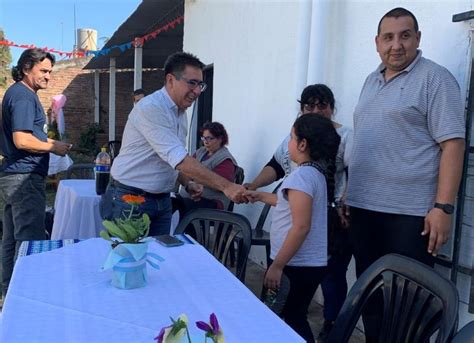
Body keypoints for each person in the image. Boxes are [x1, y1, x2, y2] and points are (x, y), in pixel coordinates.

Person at [346, 7, 465, 341]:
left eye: (405, 35)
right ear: (377, 43)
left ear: (418, 39)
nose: (396, 45)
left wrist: (443, 208)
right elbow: (367, 139)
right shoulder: (371, 81)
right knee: (370, 296)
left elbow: (453, 145)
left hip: (411, 216)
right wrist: (347, 194)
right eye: (388, 37)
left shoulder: (435, 79)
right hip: (364, 210)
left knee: (408, 304)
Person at [244, 84, 353, 341]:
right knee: (294, 314)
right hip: (306, 265)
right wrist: (258, 193)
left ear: (302, 144)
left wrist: (277, 265)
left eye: (291, 139)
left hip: (293, 265)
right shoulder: (315, 175)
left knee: (287, 317)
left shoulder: (300, 177)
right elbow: (292, 205)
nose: (288, 143)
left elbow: (300, 226)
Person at [100, 52, 245, 236]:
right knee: (128, 261)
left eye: (200, 84)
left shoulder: (180, 113)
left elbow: (169, 159)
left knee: (158, 260)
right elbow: (179, 159)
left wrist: (186, 182)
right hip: (129, 199)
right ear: (170, 80)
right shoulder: (151, 108)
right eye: (192, 83)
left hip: (162, 201)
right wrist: (227, 186)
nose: (198, 91)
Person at [0, 48, 72, 295]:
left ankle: (10, 293)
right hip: (24, 177)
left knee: (11, 239)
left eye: (50, 71)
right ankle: (27, 295)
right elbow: (21, 139)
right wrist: (54, 146)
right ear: (25, 69)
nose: (48, 76)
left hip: (15, 175)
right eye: (43, 70)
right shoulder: (23, 96)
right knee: (29, 240)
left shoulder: (19, 94)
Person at [174, 121, 237, 218]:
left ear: (220, 138)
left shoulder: (225, 159)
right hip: (192, 198)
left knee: (177, 206)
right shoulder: (201, 151)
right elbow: (185, 169)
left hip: (211, 203)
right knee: (171, 201)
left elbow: (219, 184)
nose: (206, 141)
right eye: (204, 138)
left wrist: (194, 175)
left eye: (210, 138)